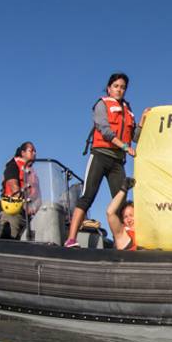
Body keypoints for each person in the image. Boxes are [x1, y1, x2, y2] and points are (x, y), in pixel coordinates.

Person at [64, 72, 149, 248]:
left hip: (117, 162)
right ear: (109, 88)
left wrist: (143, 119)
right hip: (100, 156)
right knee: (88, 196)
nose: (119, 90)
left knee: (121, 203)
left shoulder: (128, 110)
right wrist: (124, 146)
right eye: (116, 86)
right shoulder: (102, 104)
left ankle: (123, 243)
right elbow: (105, 130)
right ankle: (71, 239)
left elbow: (135, 137)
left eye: (123, 87)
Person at [0, 142, 40, 239]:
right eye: (31, 151)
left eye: (35, 151)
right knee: (11, 239)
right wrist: (24, 203)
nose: (34, 153)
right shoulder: (13, 165)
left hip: (30, 216)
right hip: (14, 212)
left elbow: (38, 195)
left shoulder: (33, 173)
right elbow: (13, 185)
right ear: (23, 153)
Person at [106, 177, 137, 250]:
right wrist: (123, 189)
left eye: (131, 215)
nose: (129, 220)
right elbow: (110, 213)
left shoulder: (146, 232)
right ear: (122, 221)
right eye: (125, 217)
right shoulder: (122, 235)